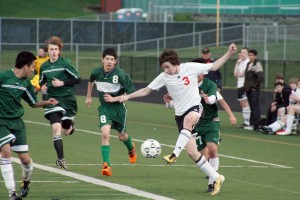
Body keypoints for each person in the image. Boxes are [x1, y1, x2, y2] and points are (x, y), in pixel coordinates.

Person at [115, 43, 238, 196]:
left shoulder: (190, 67)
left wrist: (229, 53)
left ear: (174, 62)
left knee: (189, 121)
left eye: (167, 67)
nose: (166, 70)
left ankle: (174, 153)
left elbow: (213, 66)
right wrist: (128, 96)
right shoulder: (164, 77)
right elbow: (147, 90)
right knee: (193, 152)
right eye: (163, 68)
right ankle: (216, 177)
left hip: (194, 109)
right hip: (179, 114)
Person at [164, 74, 236, 193]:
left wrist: (231, 115)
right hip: (196, 123)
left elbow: (218, 99)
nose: (194, 74)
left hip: (211, 122)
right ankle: (215, 177)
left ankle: (212, 183)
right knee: (199, 153)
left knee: (212, 148)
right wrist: (169, 102)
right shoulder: (187, 86)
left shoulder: (210, 85)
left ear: (203, 73)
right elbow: (174, 104)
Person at [0, 51, 58, 199]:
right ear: (25, 66)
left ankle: (26, 180)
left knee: (25, 159)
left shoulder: (26, 84)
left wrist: (47, 102)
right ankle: (12, 193)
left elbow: (33, 103)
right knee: (6, 151)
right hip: (1, 121)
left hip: (17, 123)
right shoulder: (4, 76)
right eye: (32, 67)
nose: (34, 70)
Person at [85, 48, 137, 177]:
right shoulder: (96, 72)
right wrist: (89, 96)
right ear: (102, 59)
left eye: (112, 59)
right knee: (105, 133)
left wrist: (115, 98)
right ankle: (106, 165)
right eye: (107, 59)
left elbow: (130, 92)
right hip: (104, 109)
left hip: (119, 109)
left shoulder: (121, 74)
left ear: (115, 61)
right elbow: (91, 82)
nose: (109, 61)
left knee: (121, 136)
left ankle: (131, 148)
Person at [39, 36, 81, 169]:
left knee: (66, 132)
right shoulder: (44, 66)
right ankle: (61, 159)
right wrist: (43, 87)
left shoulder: (65, 64)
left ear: (59, 50)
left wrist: (62, 83)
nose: (53, 52)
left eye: (55, 49)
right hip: (53, 101)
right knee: (56, 129)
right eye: (51, 49)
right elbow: (41, 81)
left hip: (68, 100)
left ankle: (70, 126)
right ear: (47, 51)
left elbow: (78, 79)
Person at [243, 49, 264, 131]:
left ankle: (256, 124)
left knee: (255, 106)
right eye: (249, 55)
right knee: (252, 106)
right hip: (248, 89)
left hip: (254, 89)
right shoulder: (248, 64)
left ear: (255, 56)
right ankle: (252, 124)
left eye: (252, 55)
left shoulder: (257, 64)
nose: (250, 56)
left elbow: (260, 77)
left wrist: (254, 86)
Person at [233, 48, 251, 128]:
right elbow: (235, 74)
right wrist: (237, 64)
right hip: (239, 84)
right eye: (241, 52)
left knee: (245, 102)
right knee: (242, 103)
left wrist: (239, 74)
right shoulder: (241, 62)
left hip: (244, 84)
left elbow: (240, 74)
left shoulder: (248, 62)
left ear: (247, 54)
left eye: (244, 52)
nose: (242, 54)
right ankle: (245, 121)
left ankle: (248, 122)